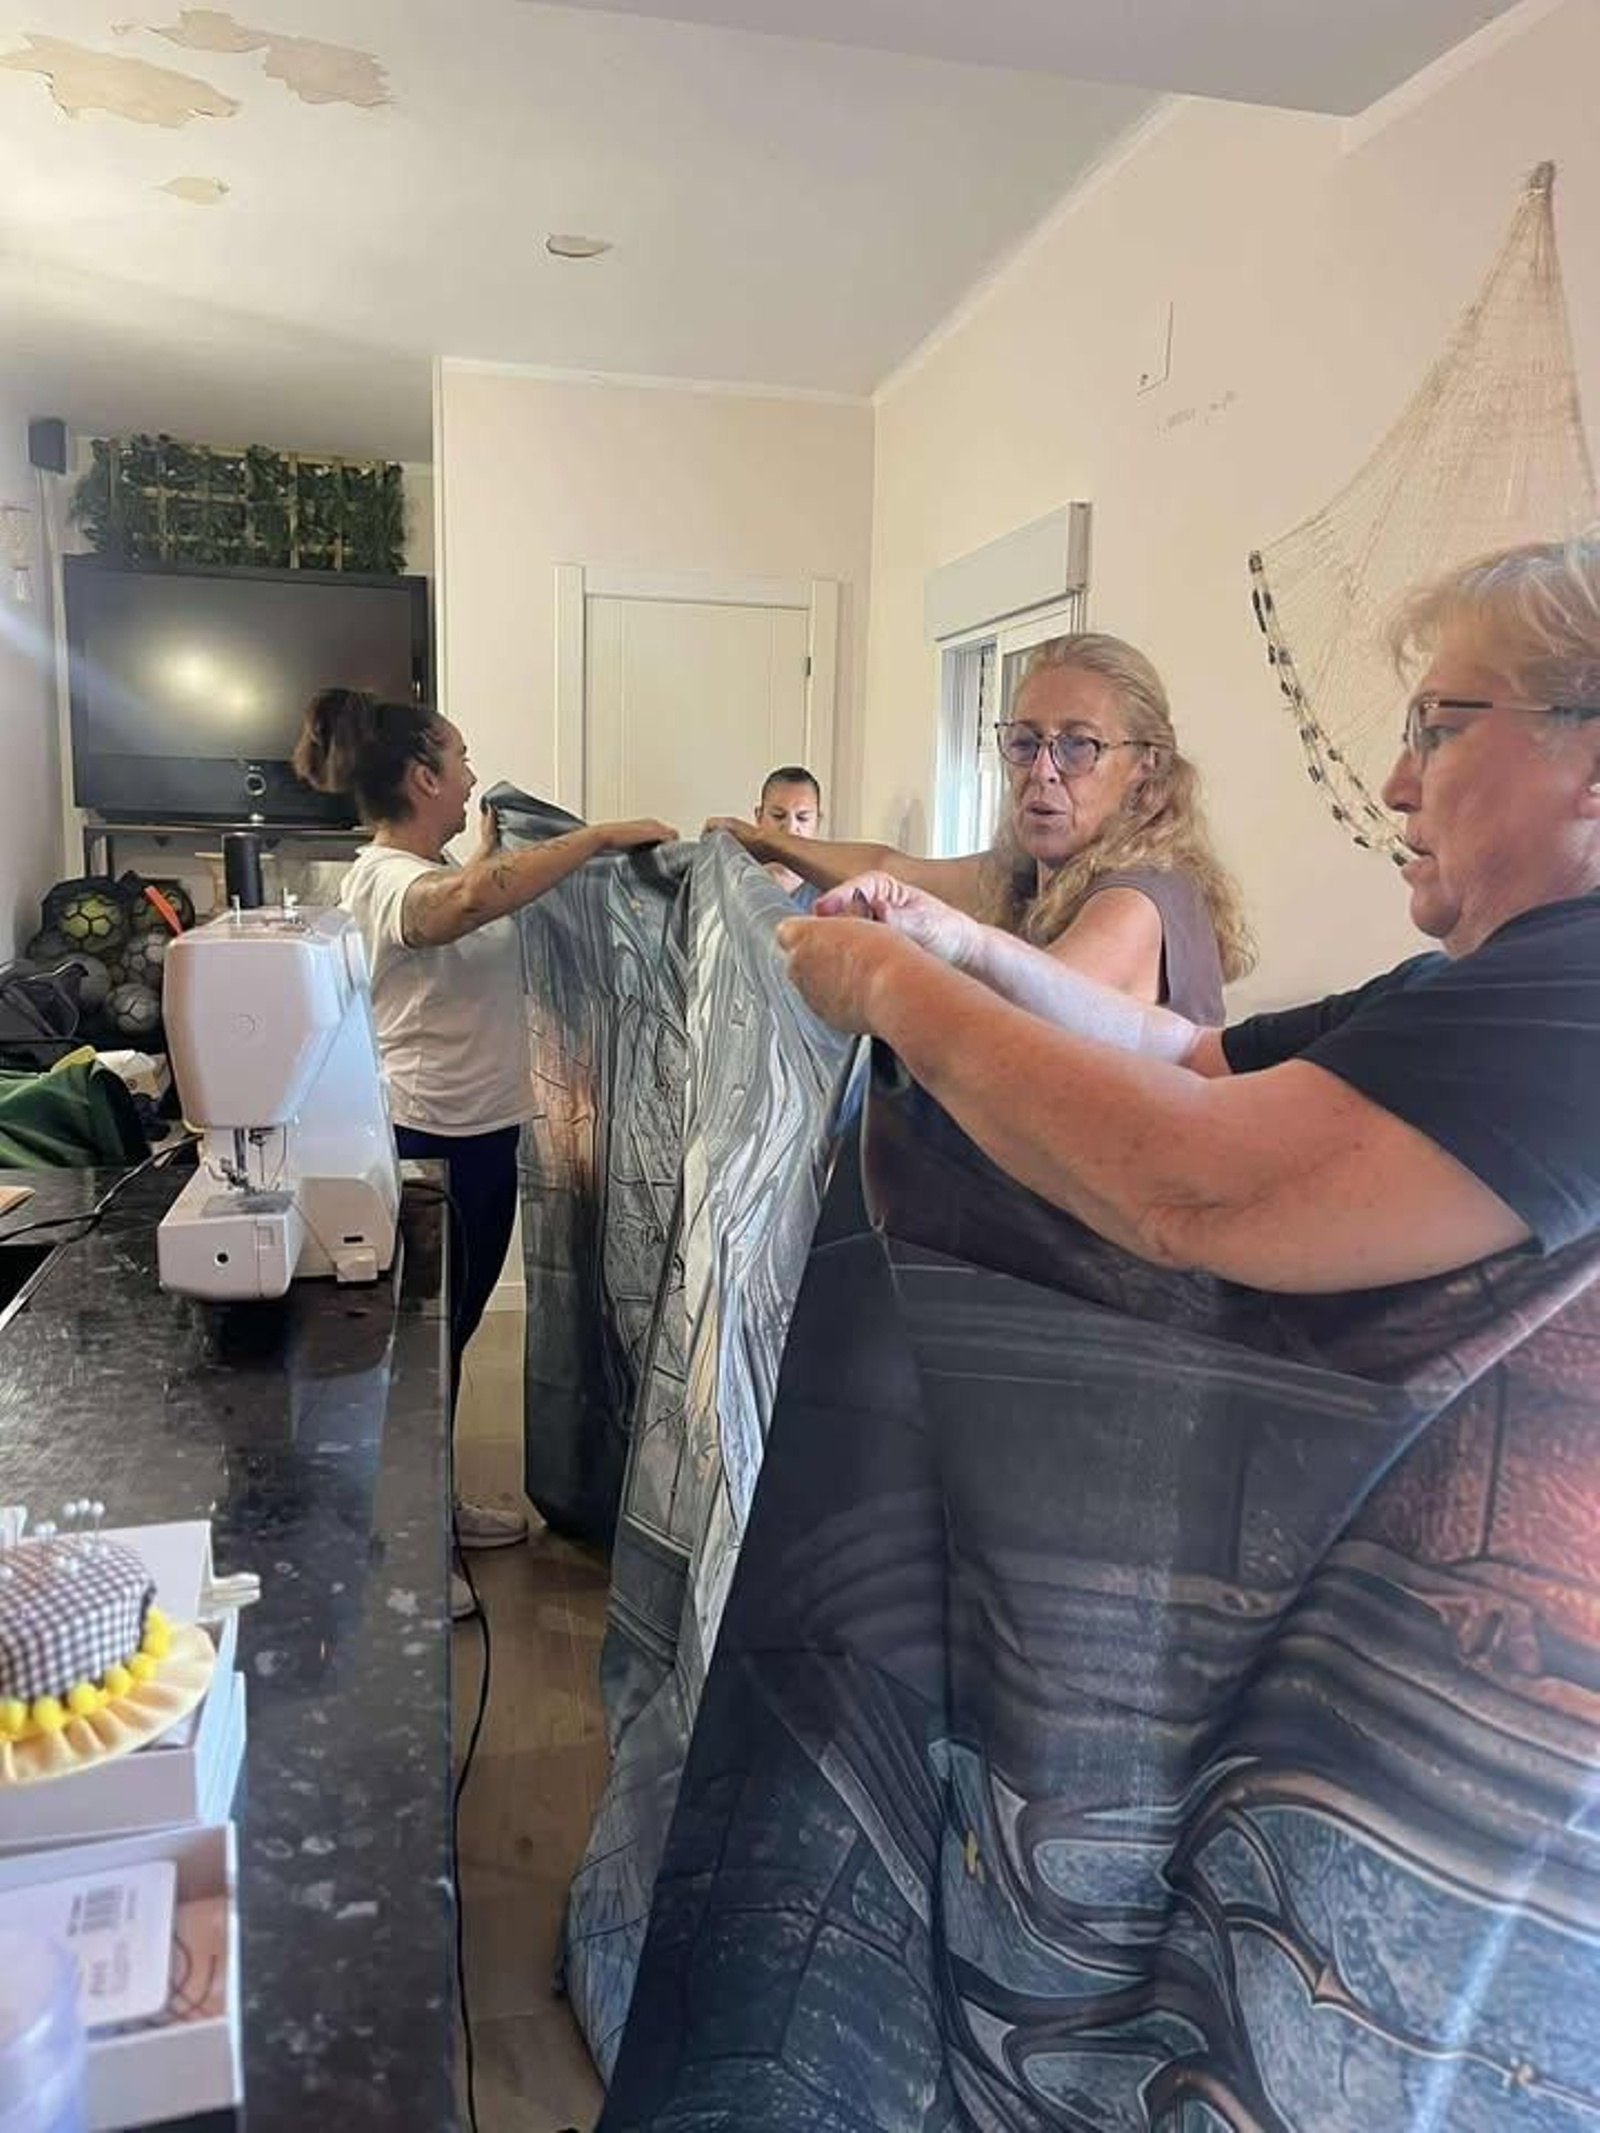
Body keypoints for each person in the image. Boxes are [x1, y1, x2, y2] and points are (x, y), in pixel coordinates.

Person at [780, 537, 1600, 1293]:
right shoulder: (1451, 985)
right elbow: (1185, 1052)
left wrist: (886, 981)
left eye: (1441, 730)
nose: (1395, 785)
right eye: (1025, 744)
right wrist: (960, 941)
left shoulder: (1575, 996)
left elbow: (1188, 1189)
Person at [294, 688, 674, 1613]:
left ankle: (437, 1507)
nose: (470, 775)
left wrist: (500, 849)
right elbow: (449, 910)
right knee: (426, 1352)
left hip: (480, 1137)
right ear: (422, 776)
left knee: (449, 1341)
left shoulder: (446, 859)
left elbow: (472, 893)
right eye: (458, 759)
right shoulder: (384, 877)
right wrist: (588, 840)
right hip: (426, 1143)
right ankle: (413, 1552)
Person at [710, 633, 1253, 1024]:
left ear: (1146, 765)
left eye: (1078, 746)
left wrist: (880, 968)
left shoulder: (1141, 902)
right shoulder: (1026, 876)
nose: (1042, 770)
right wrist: (763, 843)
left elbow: (1019, 1019)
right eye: (1025, 742)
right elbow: (890, 869)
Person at [751, 765, 824, 908]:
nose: (790, 829)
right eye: (778, 816)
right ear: (759, 817)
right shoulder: (737, 880)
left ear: (818, 821)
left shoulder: (831, 892)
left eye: (802, 818)